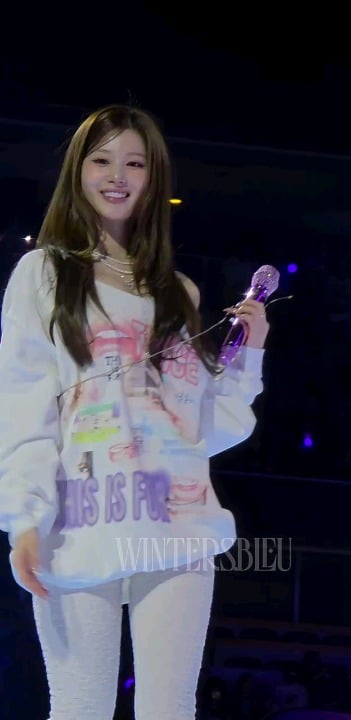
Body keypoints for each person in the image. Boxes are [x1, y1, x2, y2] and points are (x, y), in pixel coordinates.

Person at [0, 104, 269, 720]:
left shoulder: (179, 293)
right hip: (79, 516)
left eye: (135, 163)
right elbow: (22, 402)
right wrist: (26, 517)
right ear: (78, 170)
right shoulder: (44, 274)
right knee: (80, 707)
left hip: (177, 519)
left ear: (154, 178)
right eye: (101, 160)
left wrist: (248, 355)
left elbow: (197, 428)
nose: (117, 176)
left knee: (169, 709)